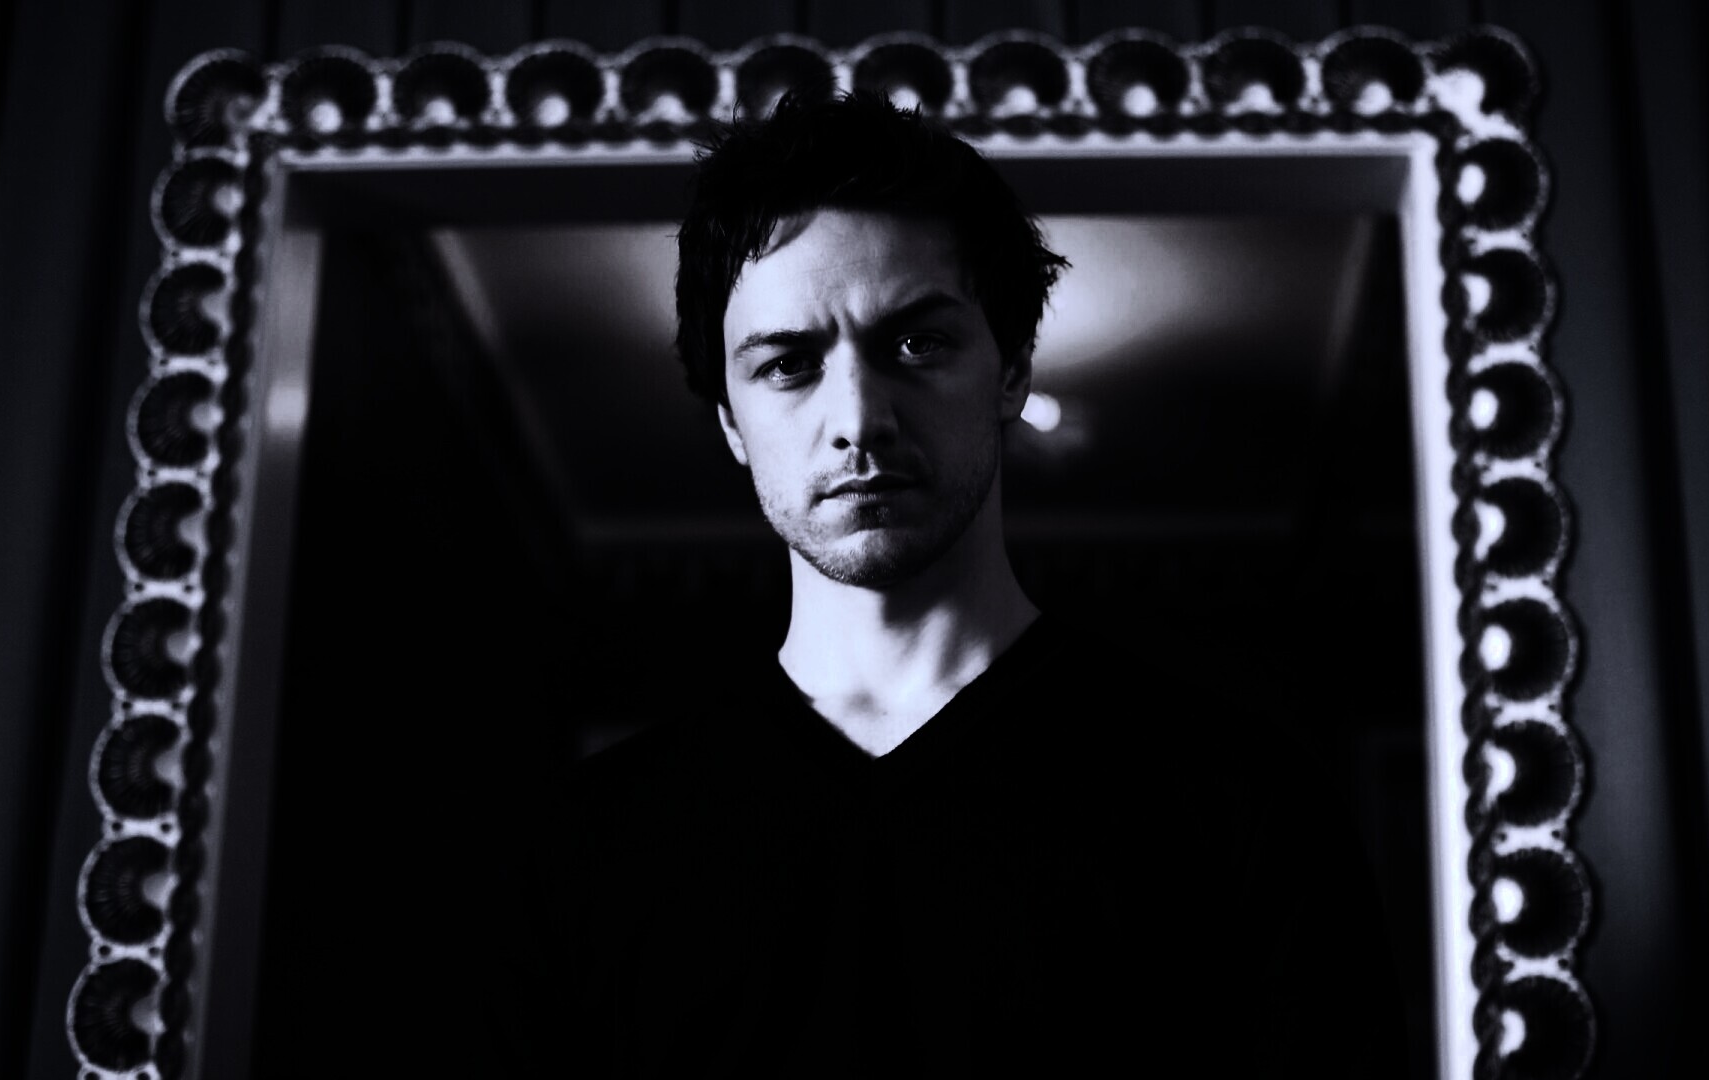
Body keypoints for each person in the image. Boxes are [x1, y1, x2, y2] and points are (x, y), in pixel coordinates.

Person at [494, 92, 1409, 1077]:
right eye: (789, 364)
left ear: (1012, 370)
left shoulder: (1240, 804)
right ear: (730, 423)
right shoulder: (591, 847)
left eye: (917, 344)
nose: (859, 419)